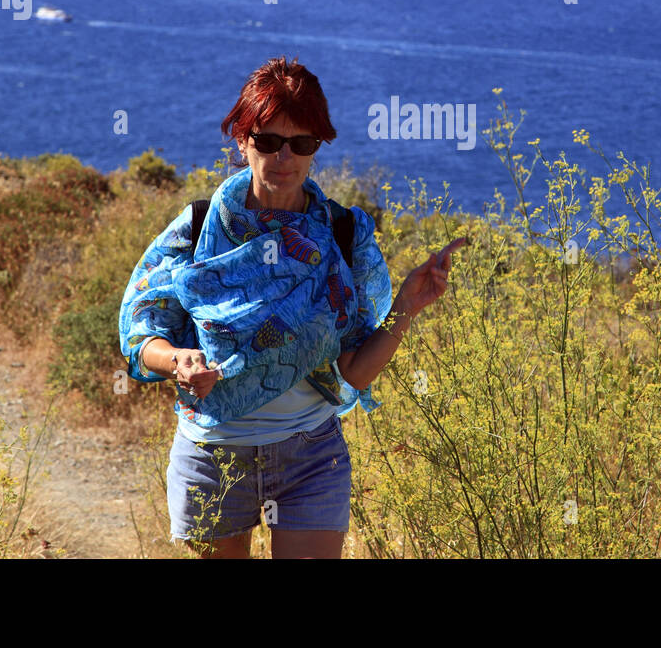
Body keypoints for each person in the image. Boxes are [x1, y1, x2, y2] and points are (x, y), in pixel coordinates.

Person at [118, 56, 465, 559]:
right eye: (266, 140)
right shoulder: (197, 230)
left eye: (300, 143)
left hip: (310, 454)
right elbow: (141, 327)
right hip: (213, 454)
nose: (283, 157)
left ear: (317, 147)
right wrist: (178, 360)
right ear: (242, 140)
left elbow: (355, 372)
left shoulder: (345, 234)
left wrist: (407, 306)